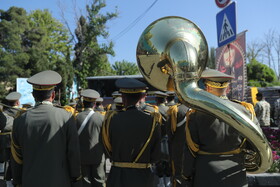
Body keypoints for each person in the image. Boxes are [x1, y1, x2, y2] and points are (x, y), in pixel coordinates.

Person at [182, 69, 258, 187]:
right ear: (227, 88)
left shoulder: (195, 114)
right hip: (236, 173)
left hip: (207, 174)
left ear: (207, 88)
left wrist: (185, 175)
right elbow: (255, 144)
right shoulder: (246, 111)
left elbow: (190, 150)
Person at [11, 70, 82, 187]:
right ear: (53, 95)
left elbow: (17, 158)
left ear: (33, 95)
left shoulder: (19, 120)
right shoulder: (66, 117)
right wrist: (76, 177)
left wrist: (18, 181)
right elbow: (73, 153)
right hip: (59, 181)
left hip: (29, 182)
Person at [102, 78, 162, 187]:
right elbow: (156, 155)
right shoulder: (152, 121)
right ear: (141, 97)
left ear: (123, 98)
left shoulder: (111, 119)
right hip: (143, 177)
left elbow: (107, 149)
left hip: (117, 175)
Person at [76, 89, 106, 187]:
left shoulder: (76, 117)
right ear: (94, 104)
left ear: (83, 103)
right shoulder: (101, 118)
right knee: (99, 181)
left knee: (85, 182)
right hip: (98, 156)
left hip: (82, 156)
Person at [1, 92, 23, 186]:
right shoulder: (22, 113)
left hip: (4, 144)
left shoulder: (3, 114)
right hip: (18, 145)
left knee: (6, 165)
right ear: (17, 103)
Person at [166, 101, 189, 187]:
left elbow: (170, 134)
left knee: (178, 175)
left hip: (179, 150)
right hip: (196, 152)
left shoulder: (176, 110)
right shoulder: (200, 109)